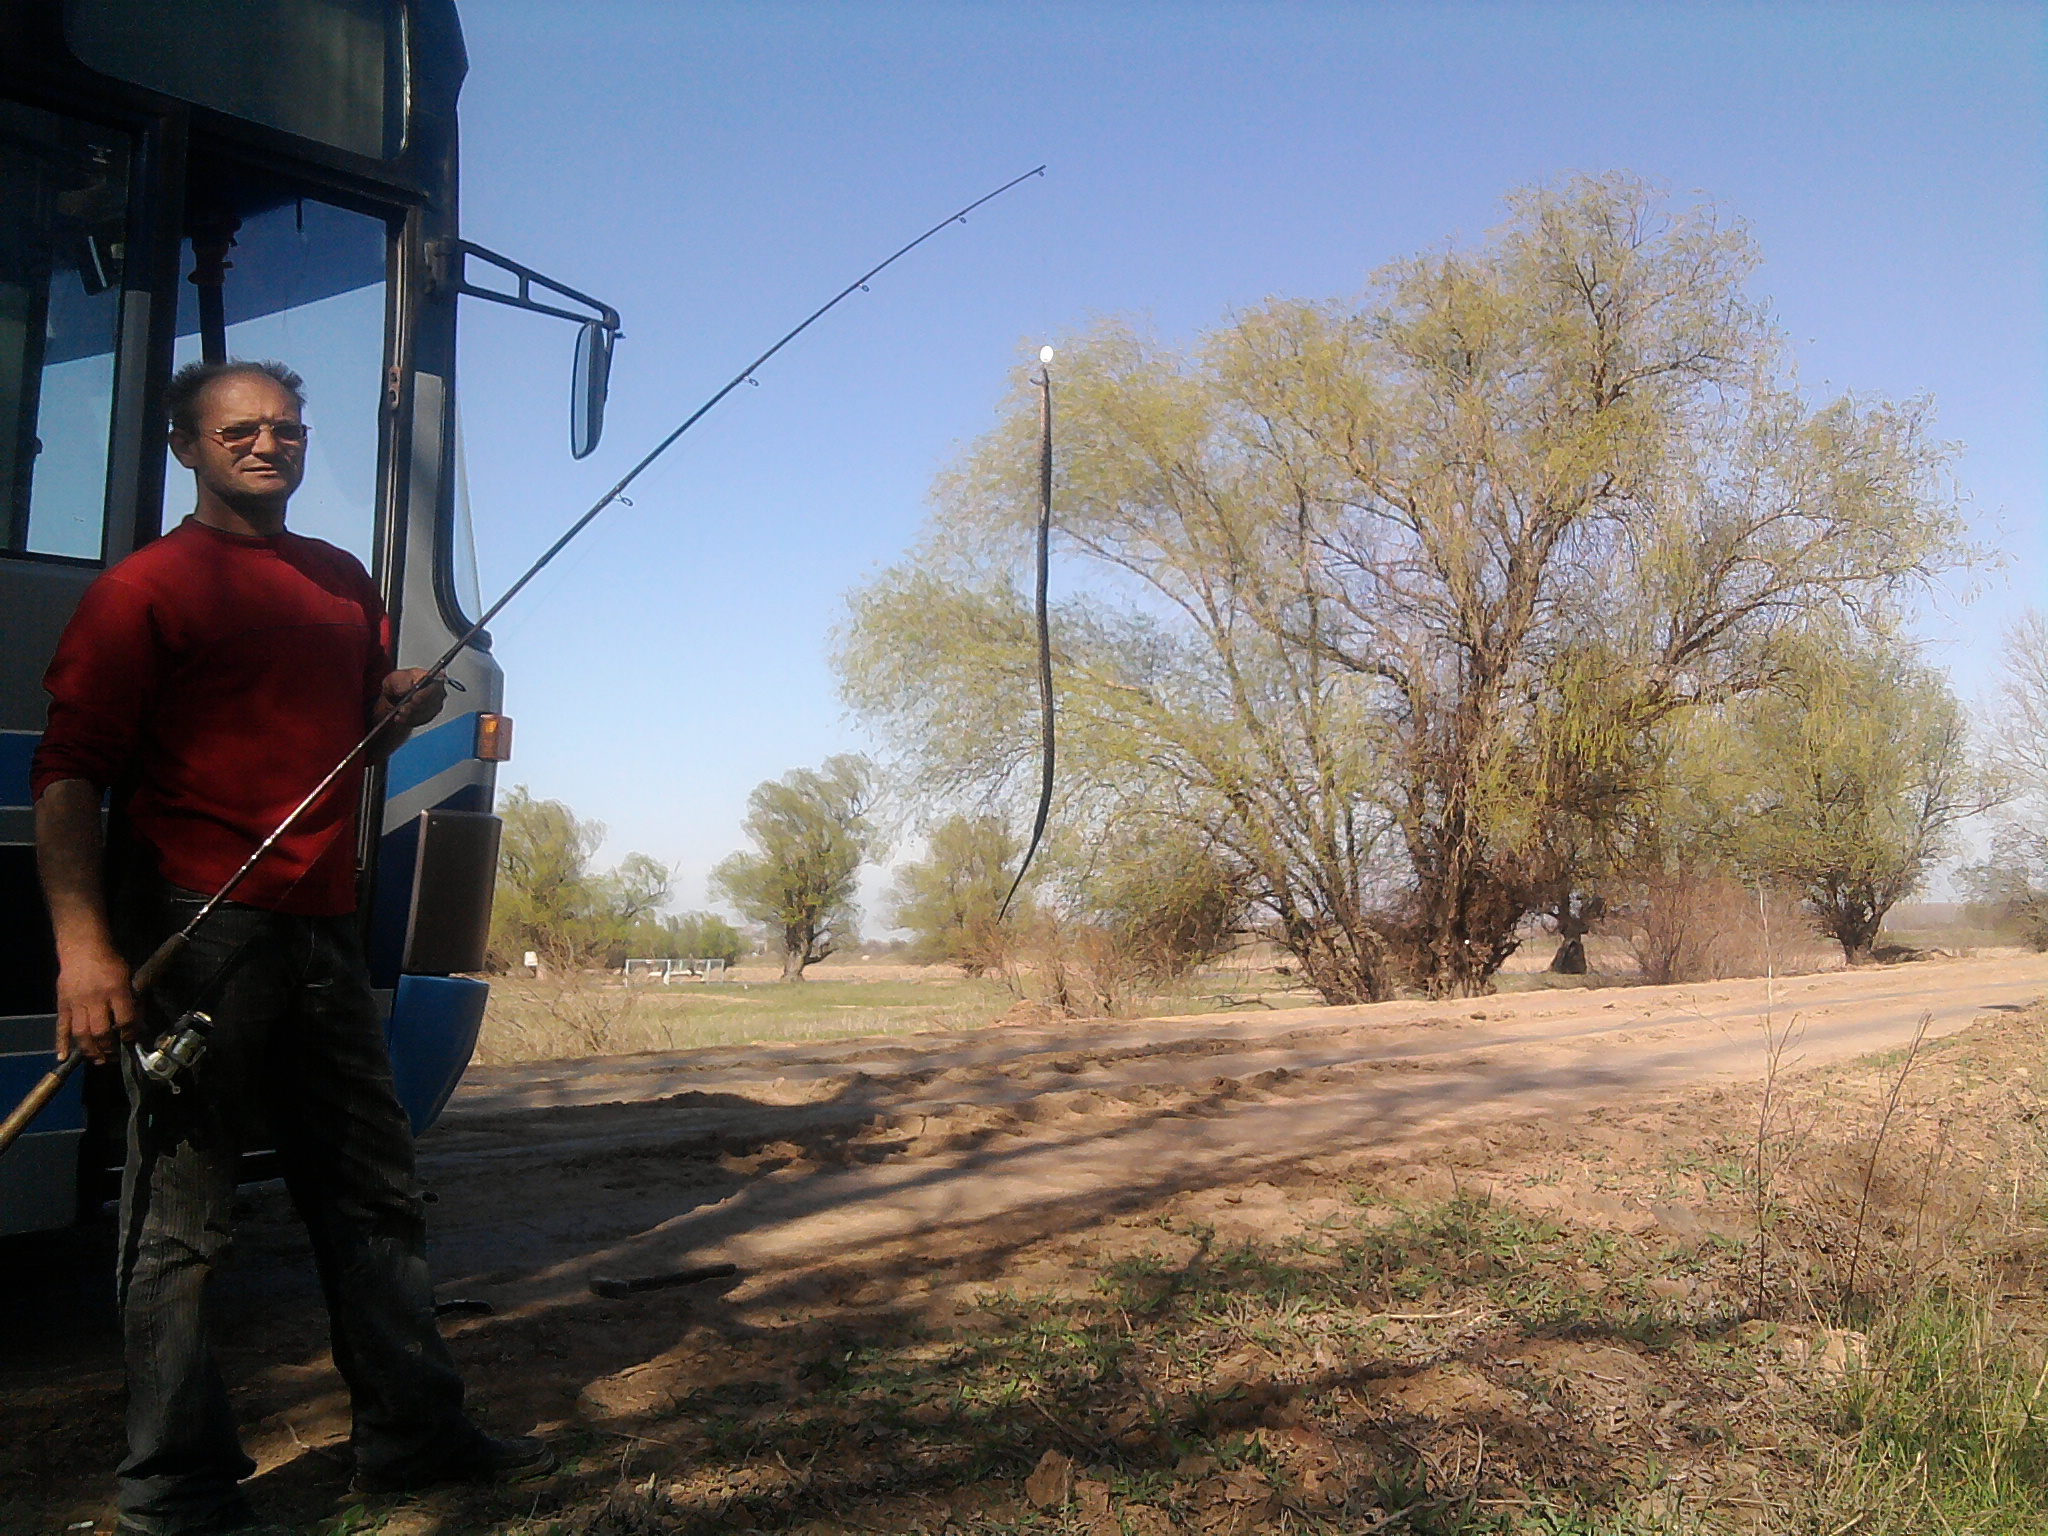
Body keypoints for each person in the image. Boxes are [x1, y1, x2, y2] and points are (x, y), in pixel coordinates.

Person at [31, 359, 551, 1536]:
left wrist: (395, 712)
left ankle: (414, 1440)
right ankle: (174, 1490)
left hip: (322, 928)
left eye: (287, 430)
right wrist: (85, 953)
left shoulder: (339, 580)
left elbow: (350, 741)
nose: (269, 445)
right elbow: (66, 777)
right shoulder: (140, 592)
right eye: (240, 432)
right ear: (187, 448)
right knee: (179, 1223)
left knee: (374, 1191)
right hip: (193, 931)